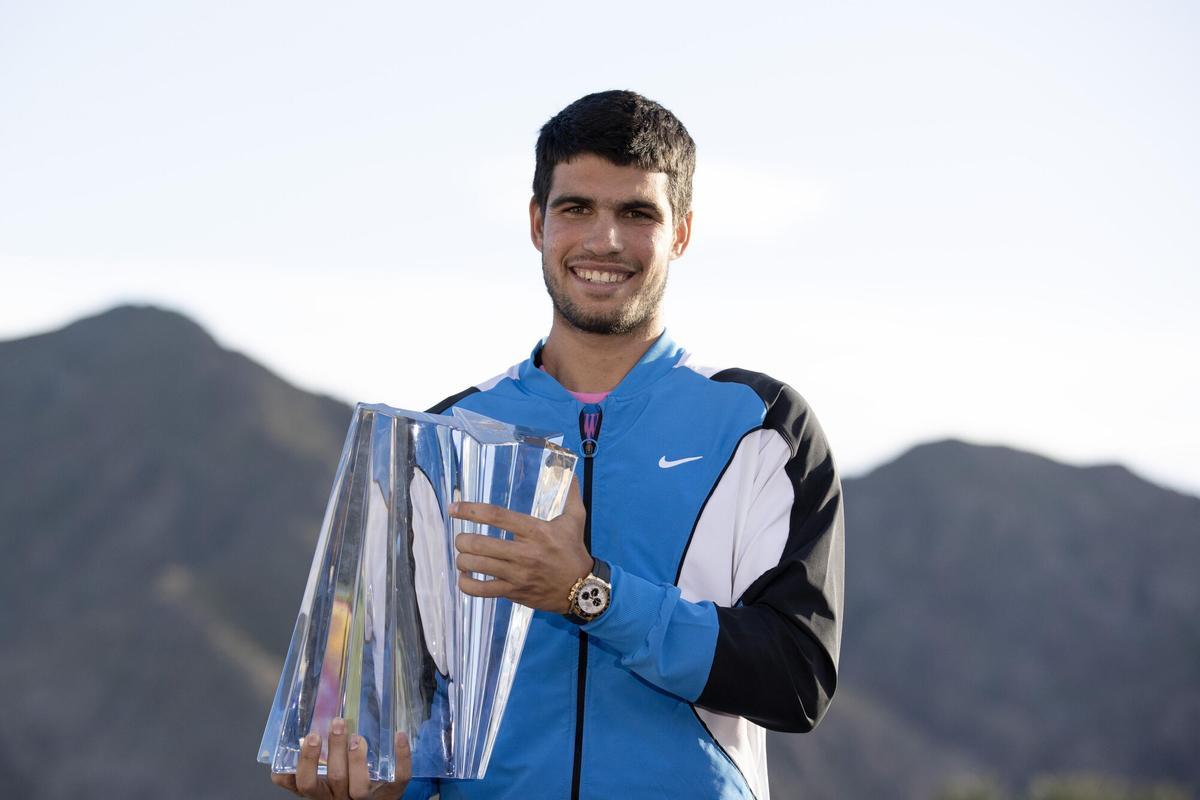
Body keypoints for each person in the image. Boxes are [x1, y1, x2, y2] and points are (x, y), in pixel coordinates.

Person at [277, 89, 844, 800]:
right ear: (538, 222)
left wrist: (590, 594)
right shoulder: (441, 440)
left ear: (683, 233)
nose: (604, 240)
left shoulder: (762, 428)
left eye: (638, 213)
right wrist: (380, 785)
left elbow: (798, 678)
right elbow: (401, 708)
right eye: (577, 208)